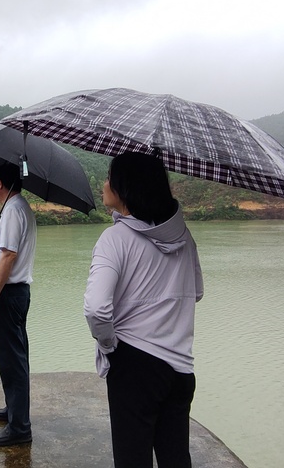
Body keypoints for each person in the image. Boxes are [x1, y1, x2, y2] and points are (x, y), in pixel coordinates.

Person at [84, 152, 204, 468]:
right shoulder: (183, 236)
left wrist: (109, 345)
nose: (104, 184)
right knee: (176, 458)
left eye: (109, 177)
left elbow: (96, 310)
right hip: (180, 367)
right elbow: (196, 292)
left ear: (125, 187)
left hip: (134, 366)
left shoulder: (114, 239)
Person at [0, 163, 37, 447]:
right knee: (14, 356)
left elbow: (9, 256)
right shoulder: (15, 209)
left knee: (12, 359)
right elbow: (6, 248)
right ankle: (14, 411)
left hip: (9, 294)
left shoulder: (13, 210)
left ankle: (19, 428)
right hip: (15, 293)